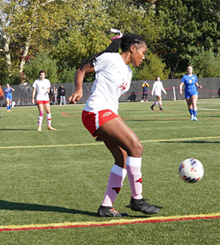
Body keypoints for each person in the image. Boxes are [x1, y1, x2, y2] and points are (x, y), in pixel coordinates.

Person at [68, 30, 160, 217]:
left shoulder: (128, 72)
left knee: (123, 159)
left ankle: (106, 207)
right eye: (143, 53)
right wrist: (78, 89)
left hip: (104, 116)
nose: (143, 58)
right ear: (132, 48)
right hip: (96, 111)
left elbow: (112, 99)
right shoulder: (110, 58)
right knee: (137, 147)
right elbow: (82, 69)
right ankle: (137, 199)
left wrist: (107, 131)